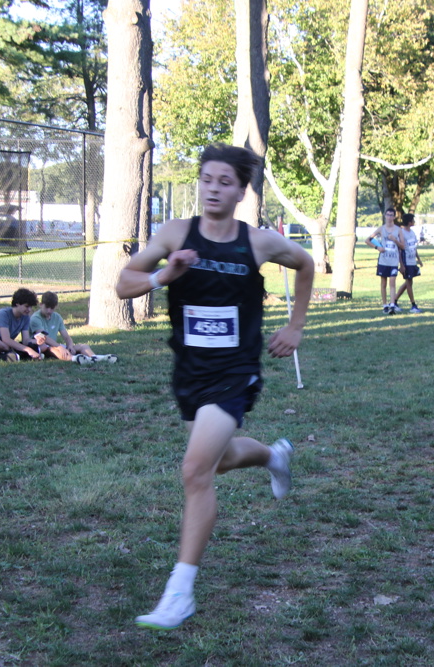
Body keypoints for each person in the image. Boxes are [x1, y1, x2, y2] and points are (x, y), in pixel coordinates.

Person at [115, 143, 314, 631]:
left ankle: (179, 592)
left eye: (225, 182)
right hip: (190, 371)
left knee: (195, 470)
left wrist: (295, 327)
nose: (213, 189)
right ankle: (273, 456)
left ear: (241, 191)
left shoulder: (258, 242)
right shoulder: (175, 233)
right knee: (218, 460)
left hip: (235, 371)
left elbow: (306, 264)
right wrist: (165, 275)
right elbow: (124, 283)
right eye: (207, 179)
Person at [29, 291, 115, 364]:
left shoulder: (57, 317)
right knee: (52, 349)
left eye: (52, 308)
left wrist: (70, 345)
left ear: (56, 307)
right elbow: (44, 338)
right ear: (41, 305)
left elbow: (66, 336)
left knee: (82, 346)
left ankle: (96, 357)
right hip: (43, 347)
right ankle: (75, 359)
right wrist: (59, 347)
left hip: (56, 345)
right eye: (46, 307)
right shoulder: (35, 318)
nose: (49, 311)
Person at [0, 288, 42, 361]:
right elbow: (6, 339)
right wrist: (28, 349)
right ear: (17, 303)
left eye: (31, 307)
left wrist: (36, 341)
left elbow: (25, 340)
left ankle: (9, 355)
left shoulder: (25, 317)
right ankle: (17, 353)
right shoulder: (3, 314)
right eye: (26, 306)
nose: (29, 309)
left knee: (32, 346)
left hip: (7, 346)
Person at [366, 207, 405, 314]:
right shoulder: (381, 229)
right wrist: (377, 247)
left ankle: (392, 305)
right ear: (385, 215)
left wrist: (395, 240)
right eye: (387, 215)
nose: (389, 217)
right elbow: (368, 240)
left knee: (392, 282)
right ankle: (385, 305)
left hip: (393, 261)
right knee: (383, 283)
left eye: (391, 215)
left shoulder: (398, 230)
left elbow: (403, 246)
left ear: (394, 217)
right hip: (383, 261)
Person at [394, 213, 424, 313]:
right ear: (409, 222)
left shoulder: (412, 233)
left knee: (408, 282)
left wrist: (418, 259)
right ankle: (413, 305)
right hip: (406, 261)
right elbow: (399, 250)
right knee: (409, 283)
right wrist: (401, 265)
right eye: (413, 220)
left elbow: (414, 247)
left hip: (412, 261)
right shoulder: (402, 233)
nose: (414, 222)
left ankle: (394, 301)